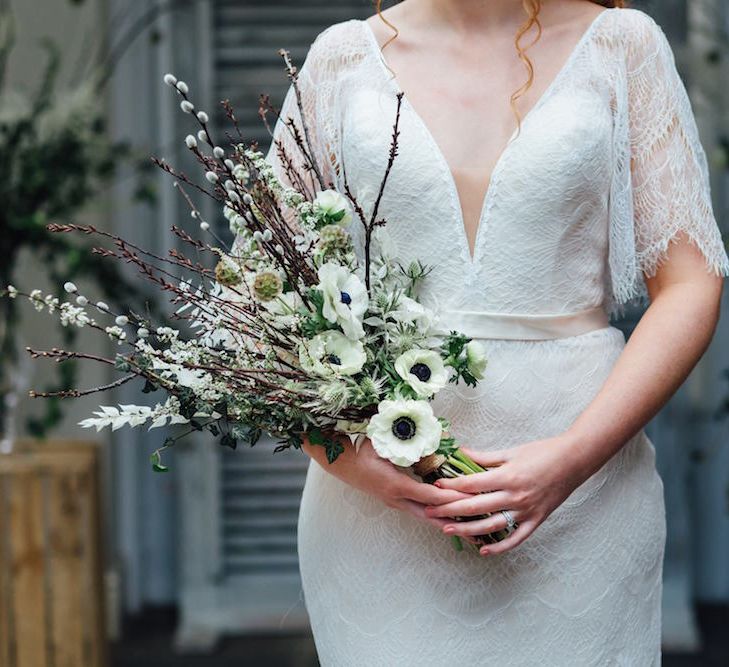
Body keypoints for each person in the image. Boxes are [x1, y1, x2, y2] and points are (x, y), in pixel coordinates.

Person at [264, 0, 729, 663]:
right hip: (381, 517)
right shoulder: (341, 59)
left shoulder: (622, 48)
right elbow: (257, 295)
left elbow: (689, 282)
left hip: (584, 498)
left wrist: (569, 459)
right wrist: (348, 458)